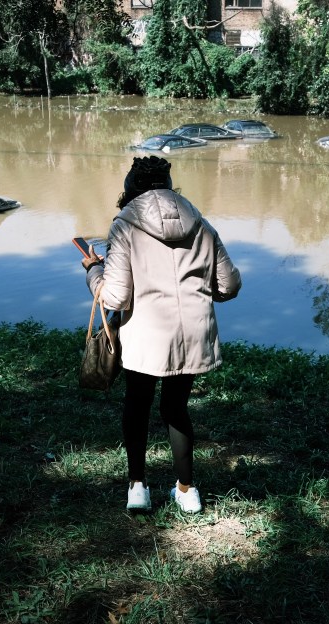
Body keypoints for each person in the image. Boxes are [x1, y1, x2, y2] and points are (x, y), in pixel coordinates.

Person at [81, 156, 242, 513]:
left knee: (137, 407)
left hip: (145, 335)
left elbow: (117, 296)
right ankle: (187, 492)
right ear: (170, 186)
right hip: (193, 335)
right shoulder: (201, 224)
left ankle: (137, 488)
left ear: (129, 188)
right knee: (175, 408)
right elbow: (229, 285)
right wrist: (197, 292)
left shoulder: (125, 226)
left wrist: (93, 271)